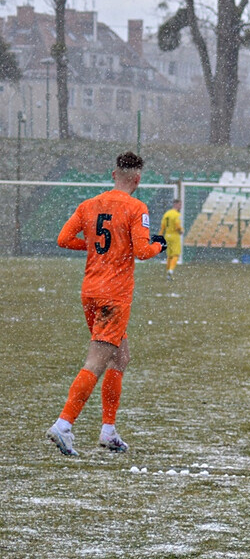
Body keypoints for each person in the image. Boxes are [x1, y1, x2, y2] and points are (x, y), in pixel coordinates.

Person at [46, 151, 166, 456]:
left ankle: (108, 430)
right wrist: (158, 245)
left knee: (120, 356)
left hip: (90, 291)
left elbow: (63, 238)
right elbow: (141, 251)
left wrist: (94, 247)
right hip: (114, 296)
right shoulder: (137, 207)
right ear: (137, 178)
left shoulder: (89, 205)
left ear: (114, 175)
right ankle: (63, 424)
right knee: (97, 361)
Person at [160, 198, 184, 279]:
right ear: (176, 204)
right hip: (174, 236)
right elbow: (177, 224)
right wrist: (181, 230)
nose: (181, 206)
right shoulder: (177, 215)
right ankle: (171, 270)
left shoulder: (167, 214)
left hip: (167, 235)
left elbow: (162, 226)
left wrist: (160, 235)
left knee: (169, 256)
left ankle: (168, 274)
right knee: (176, 254)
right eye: (180, 204)